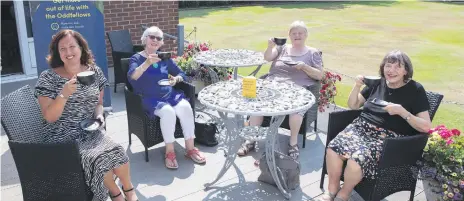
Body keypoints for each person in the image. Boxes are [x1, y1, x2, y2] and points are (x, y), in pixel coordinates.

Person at [35, 29, 138, 201]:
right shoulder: (48, 78)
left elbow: (98, 103)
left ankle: (129, 191)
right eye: (62, 49)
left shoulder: (94, 72)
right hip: (62, 135)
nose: (68, 52)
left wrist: (99, 117)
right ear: (57, 53)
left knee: (118, 153)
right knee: (100, 160)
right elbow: (50, 118)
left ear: (81, 48)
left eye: (72, 46)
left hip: (90, 129)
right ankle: (116, 194)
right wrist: (63, 94)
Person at [318, 50, 432, 201]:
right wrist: (357, 86)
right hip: (360, 129)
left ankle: (343, 194)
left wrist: (403, 112)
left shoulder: (415, 90)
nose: (391, 71)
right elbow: (353, 105)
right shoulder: (377, 83)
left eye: (398, 67)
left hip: (388, 139)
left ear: (406, 70)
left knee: (356, 160)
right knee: (333, 149)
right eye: (388, 66)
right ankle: (331, 191)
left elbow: (426, 127)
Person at [237, 20, 324, 160]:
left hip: (297, 90)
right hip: (273, 87)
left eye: (300, 33)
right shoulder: (282, 48)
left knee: (296, 111)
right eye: (294, 33)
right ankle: (251, 139)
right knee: (257, 105)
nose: (297, 35)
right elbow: (267, 57)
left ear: (306, 35)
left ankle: (293, 143)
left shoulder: (313, 53)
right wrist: (270, 46)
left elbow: (319, 75)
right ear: (289, 35)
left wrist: (304, 67)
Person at [127, 26, 206, 169]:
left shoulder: (164, 58)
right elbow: (132, 77)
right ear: (145, 39)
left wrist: (176, 79)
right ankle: (169, 152)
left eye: (159, 38)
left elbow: (182, 73)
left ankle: (190, 149)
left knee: (186, 108)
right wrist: (147, 63)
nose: (155, 40)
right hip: (150, 98)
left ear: (162, 43)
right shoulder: (137, 58)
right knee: (168, 112)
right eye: (152, 37)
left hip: (170, 95)